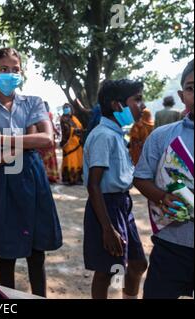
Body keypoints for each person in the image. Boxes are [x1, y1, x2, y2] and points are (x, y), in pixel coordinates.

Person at [0, 48, 62, 297]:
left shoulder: (33, 102)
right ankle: (7, 300)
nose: (10, 74)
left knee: (36, 252)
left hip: (32, 180)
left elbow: (46, 139)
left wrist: (3, 139)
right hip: (3, 185)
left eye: (15, 69)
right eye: (4, 69)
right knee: (7, 253)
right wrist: (26, 140)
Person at [133, 59, 194, 299]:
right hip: (171, 245)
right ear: (182, 95)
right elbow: (141, 178)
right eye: (191, 88)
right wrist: (162, 197)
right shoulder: (163, 136)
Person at [83, 79, 148, 299]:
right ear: (117, 105)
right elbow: (94, 184)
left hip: (122, 204)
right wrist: (108, 228)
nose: (143, 105)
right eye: (137, 99)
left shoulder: (118, 134)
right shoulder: (104, 136)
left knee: (137, 263)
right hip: (106, 205)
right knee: (107, 270)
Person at [60, 103, 84, 185]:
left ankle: (77, 179)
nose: (66, 109)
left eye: (68, 107)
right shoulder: (63, 119)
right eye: (65, 107)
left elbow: (81, 127)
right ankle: (69, 179)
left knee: (78, 160)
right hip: (68, 143)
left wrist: (79, 131)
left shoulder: (75, 118)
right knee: (69, 161)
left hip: (77, 143)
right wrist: (74, 130)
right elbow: (66, 130)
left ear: (71, 108)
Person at [39, 112, 60, 183]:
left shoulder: (47, 122)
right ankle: (49, 176)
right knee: (48, 160)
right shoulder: (41, 121)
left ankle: (49, 176)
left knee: (48, 160)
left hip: (48, 145)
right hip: (45, 145)